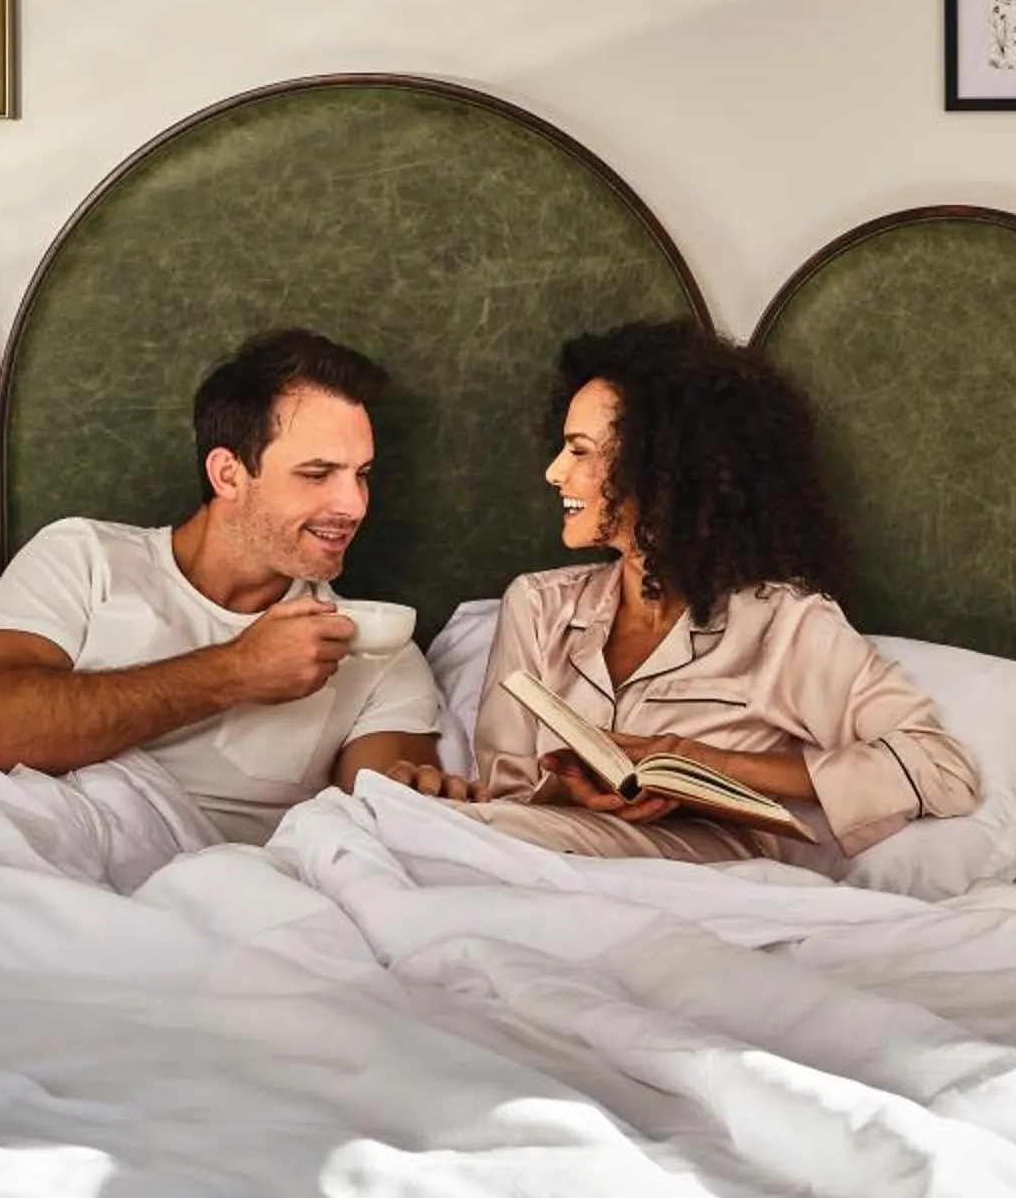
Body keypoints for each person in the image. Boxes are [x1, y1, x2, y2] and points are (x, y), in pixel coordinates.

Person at [409, 320, 980, 866]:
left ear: (658, 469)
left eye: (580, 451)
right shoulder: (538, 606)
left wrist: (703, 762)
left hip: (701, 870)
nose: (554, 472)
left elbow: (941, 767)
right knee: (400, 825)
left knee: (413, 833)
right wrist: (577, 789)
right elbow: (508, 794)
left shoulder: (786, 626)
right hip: (537, 852)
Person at [0, 328, 455, 843]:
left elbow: (390, 808)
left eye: (361, 473)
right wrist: (235, 671)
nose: (354, 506)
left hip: (208, 892)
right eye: (318, 474)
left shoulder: (378, 649)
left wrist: (424, 795)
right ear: (228, 474)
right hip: (32, 846)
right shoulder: (84, 558)